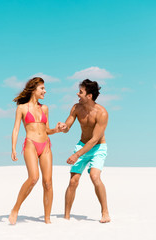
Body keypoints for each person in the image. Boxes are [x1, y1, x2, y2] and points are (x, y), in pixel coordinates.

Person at [9, 77, 60, 225]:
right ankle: (15, 209)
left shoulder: (45, 108)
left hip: (45, 145)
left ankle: (47, 218)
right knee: (33, 178)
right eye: (42, 88)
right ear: (33, 89)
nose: (45, 91)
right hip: (31, 144)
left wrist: (56, 130)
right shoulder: (22, 108)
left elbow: (47, 130)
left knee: (48, 183)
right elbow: (16, 128)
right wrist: (13, 148)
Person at [59, 79, 111, 223]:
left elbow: (94, 140)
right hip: (82, 145)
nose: (77, 94)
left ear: (89, 96)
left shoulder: (102, 113)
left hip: (98, 148)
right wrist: (64, 127)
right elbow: (68, 125)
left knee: (95, 177)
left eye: (80, 92)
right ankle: (66, 216)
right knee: (73, 181)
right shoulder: (76, 107)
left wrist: (77, 154)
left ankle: (105, 212)